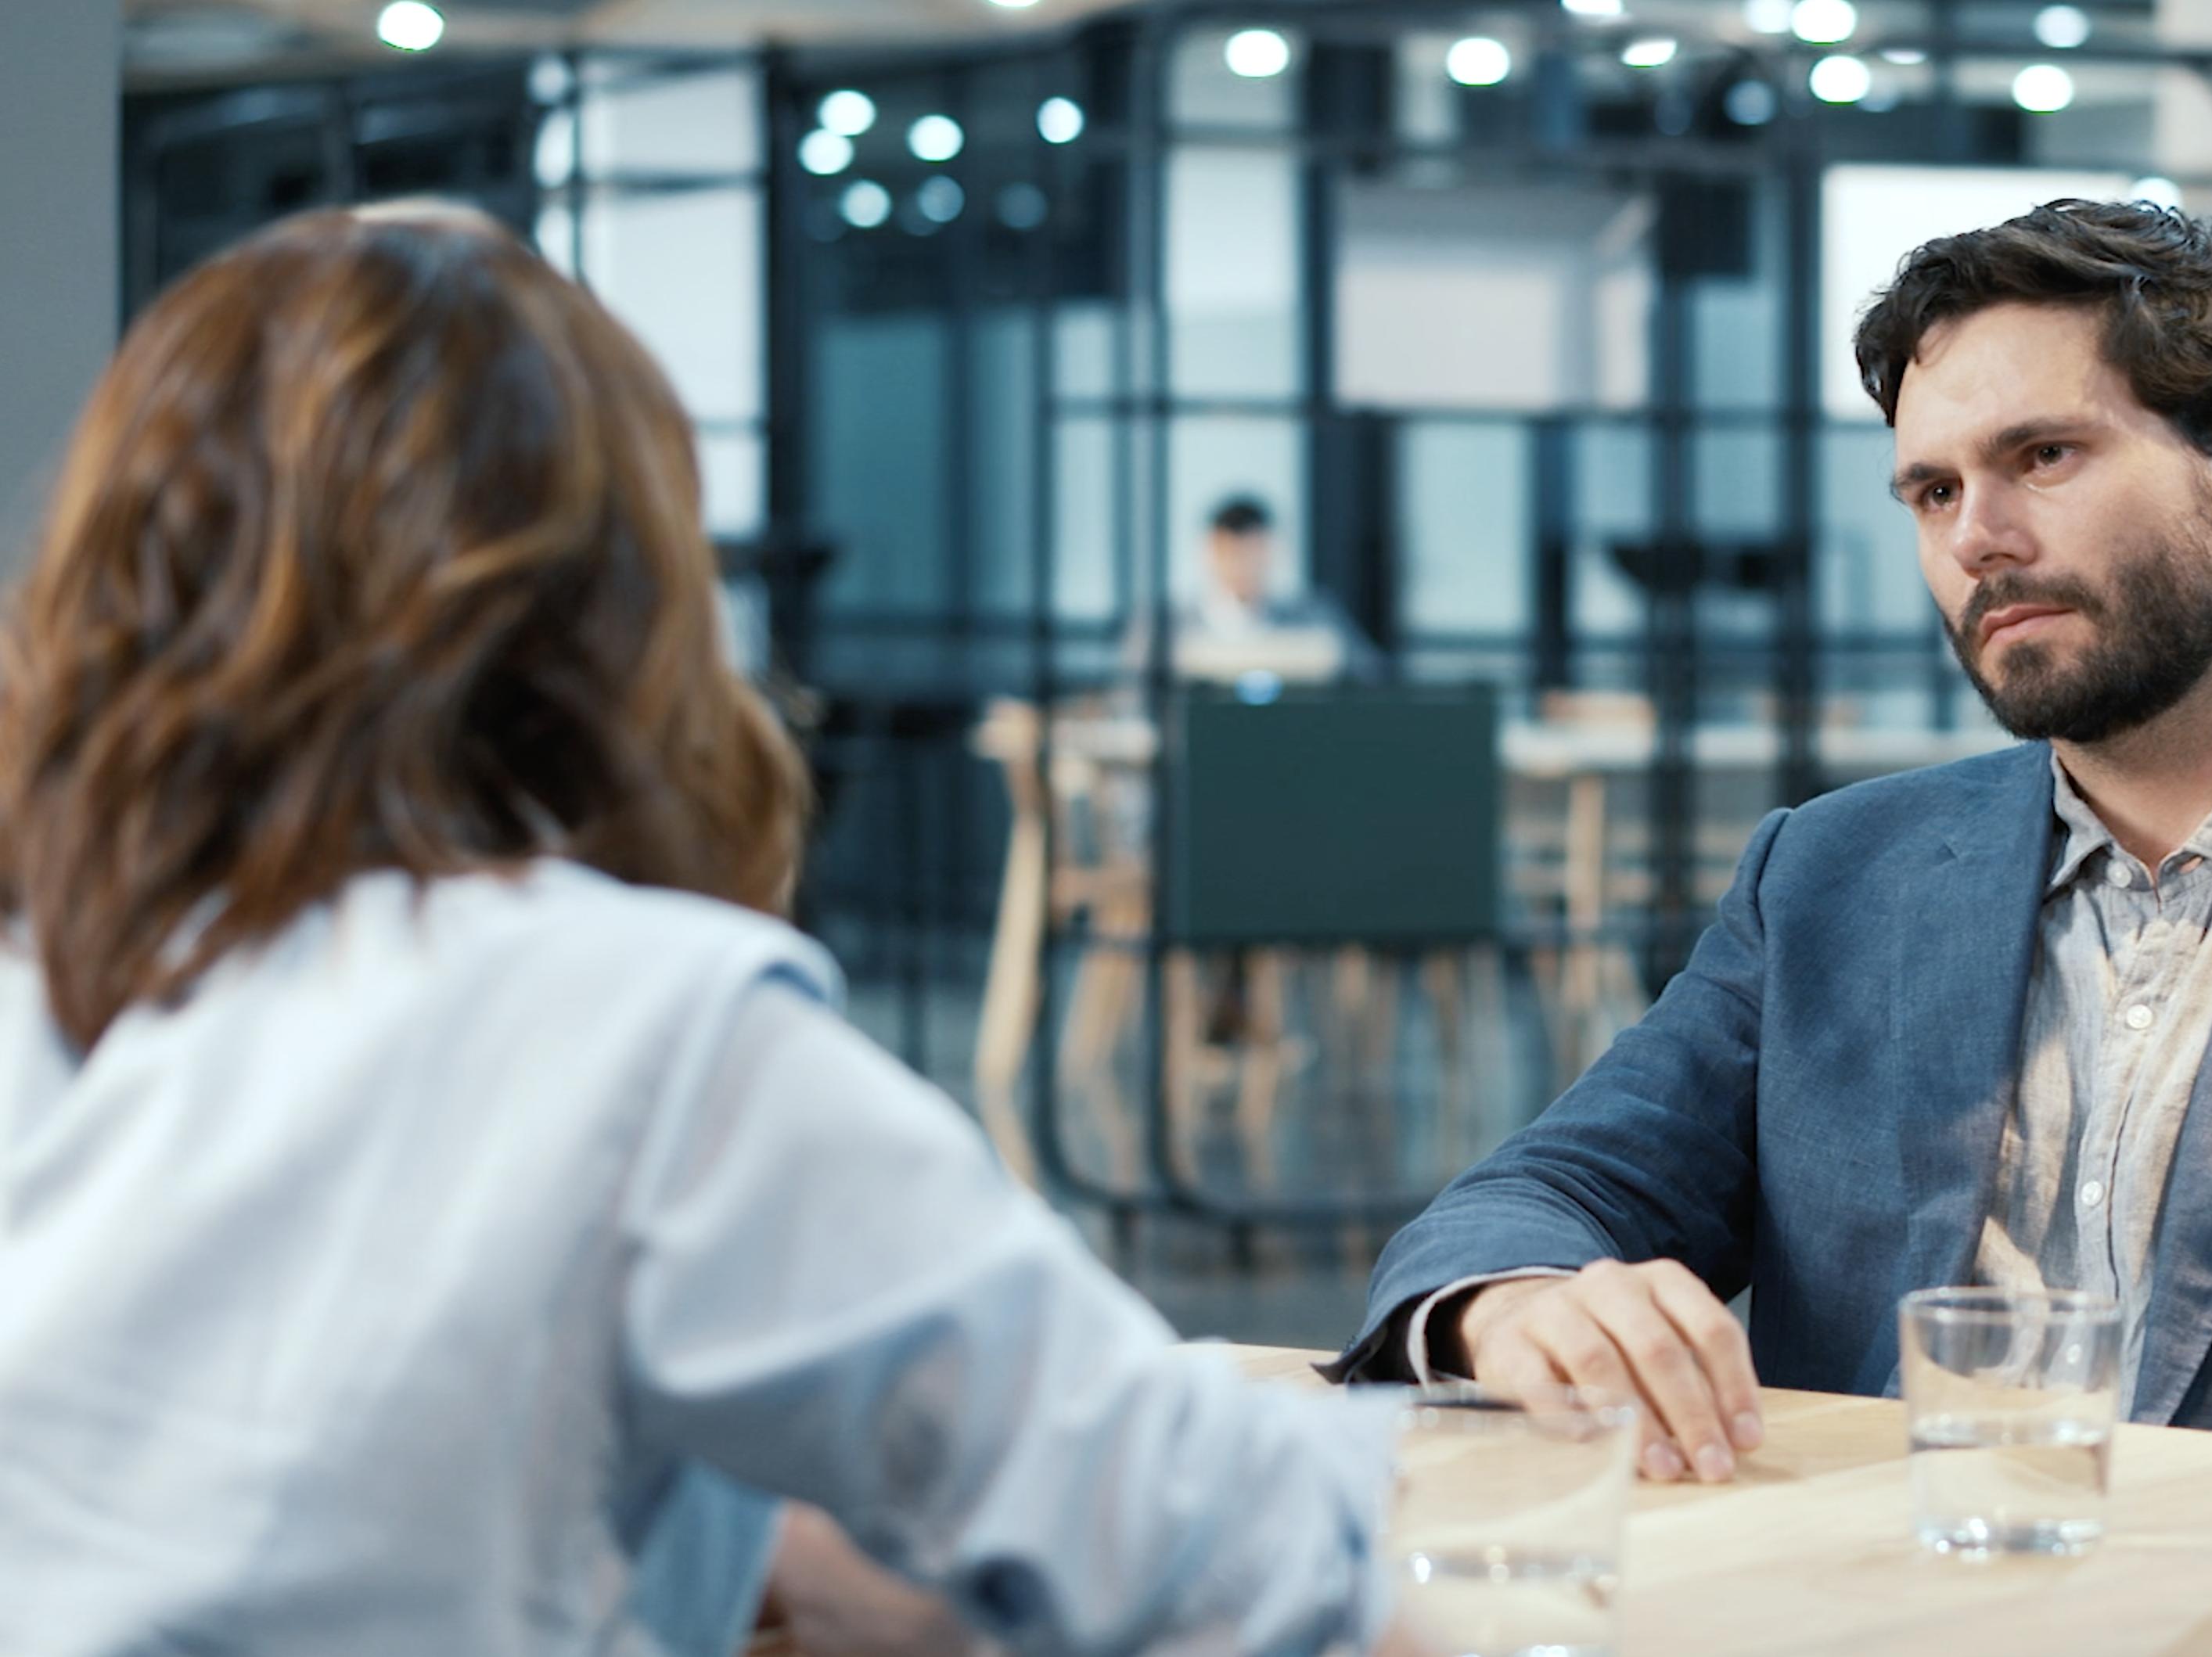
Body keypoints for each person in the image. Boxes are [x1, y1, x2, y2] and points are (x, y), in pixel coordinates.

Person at [0, 203, 1412, 1657]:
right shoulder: (618, 1018)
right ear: (612, 600)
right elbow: (1233, 1546)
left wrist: (745, 1553)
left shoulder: (56, 964)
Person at [1328, 200, 2212, 1490]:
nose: (1977, 538)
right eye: (1929, 493)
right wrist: (1515, 1305)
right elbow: (1539, 1193)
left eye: (2039, 456)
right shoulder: (1826, 875)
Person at [1126, 495, 1389, 688]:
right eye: (1232, 554)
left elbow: (1372, 680)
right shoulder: (1164, 626)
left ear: (1273, 551)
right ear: (1210, 552)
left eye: (1255, 553)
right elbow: (1129, 696)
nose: (1244, 566)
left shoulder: (1315, 616)